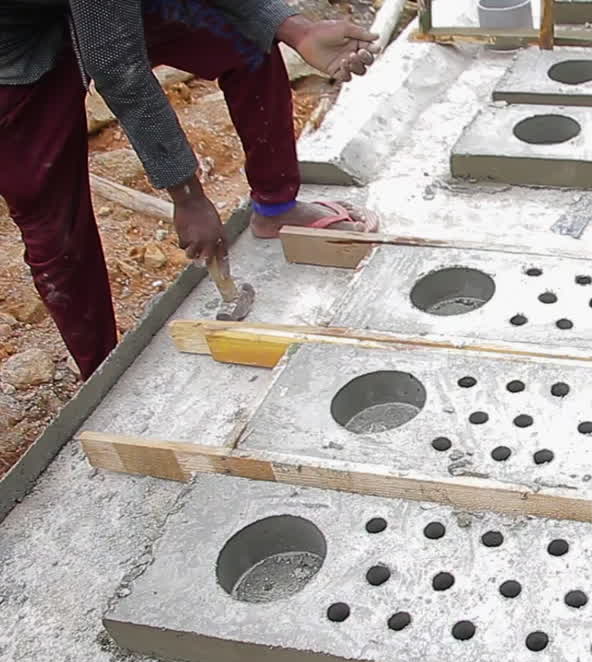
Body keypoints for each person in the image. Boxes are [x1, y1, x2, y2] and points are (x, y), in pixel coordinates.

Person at [0, 0, 381, 379]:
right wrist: (187, 195)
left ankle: (275, 207)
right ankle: (103, 371)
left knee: (246, 36)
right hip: (14, 54)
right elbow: (118, 66)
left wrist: (297, 29)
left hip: (100, 9)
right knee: (53, 223)